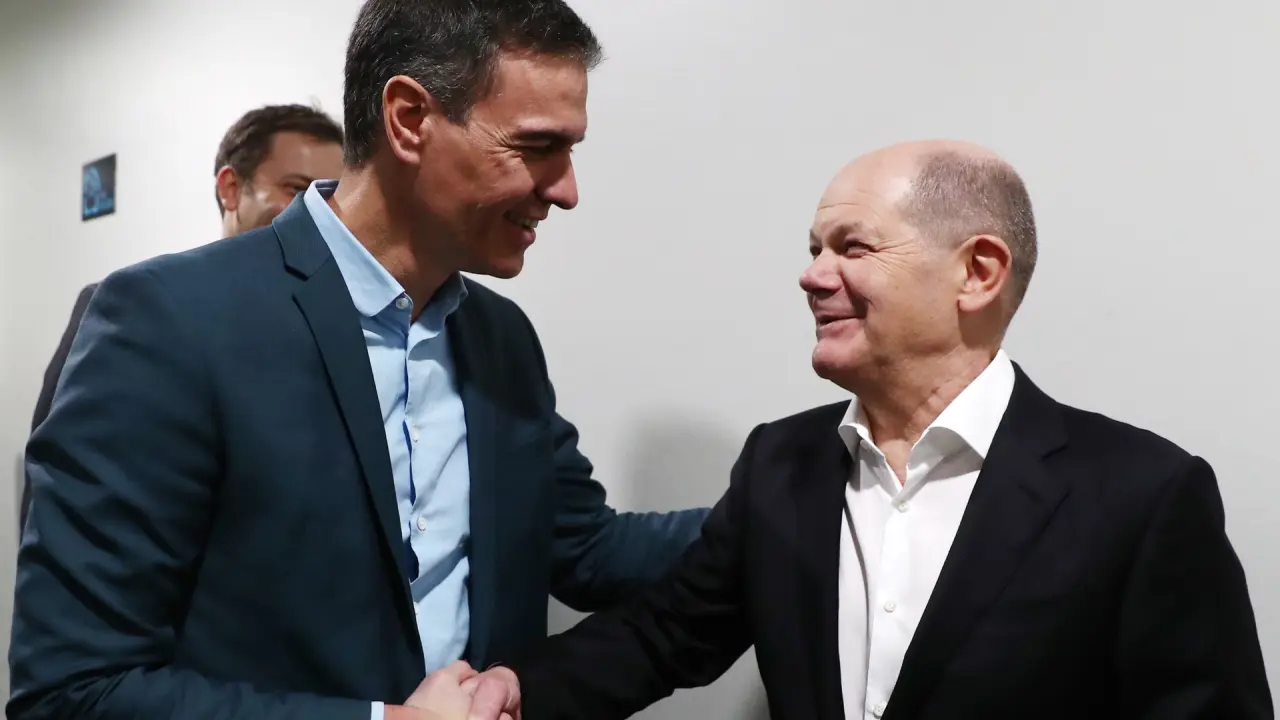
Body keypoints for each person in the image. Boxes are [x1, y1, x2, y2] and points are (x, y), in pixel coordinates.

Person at [9, 1, 709, 718]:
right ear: (409, 119)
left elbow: (585, 548)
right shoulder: (168, 321)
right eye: (536, 146)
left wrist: (773, 496)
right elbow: (74, 690)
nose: (566, 190)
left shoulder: (503, 338)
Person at [464, 140, 1273, 719]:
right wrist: (512, 690)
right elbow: (661, 636)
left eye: (853, 247)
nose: (813, 275)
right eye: (815, 248)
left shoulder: (1141, 495)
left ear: (977, 273)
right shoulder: (780, 463)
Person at [19, 102, 345, 532]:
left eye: (331, 196)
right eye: (297, 189)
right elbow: (62, 500)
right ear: (231, 188)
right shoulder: (140, 310)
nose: (319, 211)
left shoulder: (342, 327)